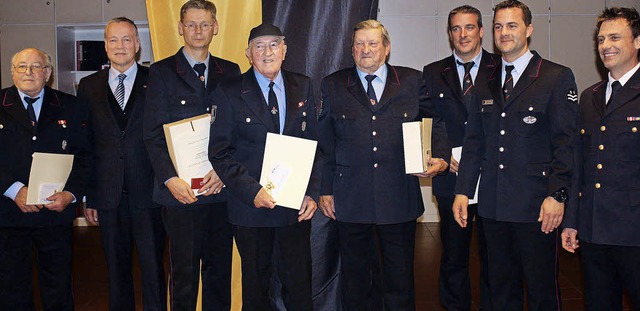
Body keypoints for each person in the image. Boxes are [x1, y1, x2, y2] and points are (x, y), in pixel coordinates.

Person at [452, 0, 578, 309]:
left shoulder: (555, 77)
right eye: (498, 26)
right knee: (499, 287)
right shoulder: (486, 79)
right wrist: (462, 191)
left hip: (536, 207)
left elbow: (567, 143)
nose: (504, 32)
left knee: (540, 289)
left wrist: (558, 195)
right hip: (493, 206)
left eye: (512, 25)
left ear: (529, 29)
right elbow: (474, 142)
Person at [318, 20, 449, 310]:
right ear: (351, 50)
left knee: (399, 279)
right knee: (356, 281)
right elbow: (325, 143)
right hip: (350, 199)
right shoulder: (334, 84)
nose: (365, 50)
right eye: (359, 44)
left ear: (386, 48)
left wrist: (439, 156)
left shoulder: (412, 81)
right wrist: (325, 189)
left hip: (398, 196)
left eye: (372, 43)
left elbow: (435, 122)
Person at [209, 23, 320, 311]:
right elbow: (219, 152)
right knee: (256, 290)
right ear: (248, 53)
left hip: (294, 206)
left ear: (284, 50)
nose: (267, 51)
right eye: (259, 46)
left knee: (298, 286)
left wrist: (311, 192)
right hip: (251, 208)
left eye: (273, 44)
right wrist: (252, 192)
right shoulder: (229, 91)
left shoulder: (303, 85)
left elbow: (315, 143)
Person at [143, 0, 240, 309]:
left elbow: (238, 130)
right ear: (180, 28)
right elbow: (152, 134)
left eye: (205, 24)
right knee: (183, 275)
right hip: (180, 193)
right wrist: (170, 179)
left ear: (216, 27)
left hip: (220, 191)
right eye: (192, 24)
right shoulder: (160, 72)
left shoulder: (232, 71)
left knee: (218, 273)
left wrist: (226, 173)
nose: (198, 31)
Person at [77, 17, 166, 311]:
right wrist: (88, 195)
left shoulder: (157, 81)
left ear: (138, 45)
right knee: (115, 271)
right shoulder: (88, 86)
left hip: (149, 193)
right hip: (108, 194)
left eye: (127, 39)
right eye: (113, 40)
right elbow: (85, 144)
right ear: (104, 45)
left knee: (154, 269)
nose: (120, 46)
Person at [0, 47, 90, 310]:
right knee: (11, 286)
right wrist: (13, 189)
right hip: (8, 213)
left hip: (54, 212)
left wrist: (71, 194)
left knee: (58, 286)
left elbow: (84, 156)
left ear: (48, 73)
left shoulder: (71, 106)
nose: (29, 72)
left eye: (36, 66)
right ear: (12, 72)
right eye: (22, 67)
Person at [562, 7, 640, 310]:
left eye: (615, 37)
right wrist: (572, 221)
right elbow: (580, 164)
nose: (606, 45)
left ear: (637, 41)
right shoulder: (590, 96)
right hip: (595, 232)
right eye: (601, 39)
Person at [422, 5, 497, 310]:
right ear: (449, 33)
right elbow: (428, 119)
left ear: (481, 30)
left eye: (469, 27)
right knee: (454, 254)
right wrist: (441, 155)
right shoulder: (432, 72)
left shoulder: (502, 66)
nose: (462, 35)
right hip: (451, 178)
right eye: (456, 29)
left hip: (493, 176)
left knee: (495, 255)